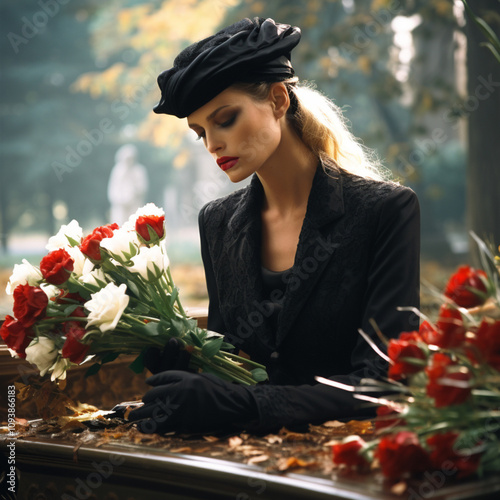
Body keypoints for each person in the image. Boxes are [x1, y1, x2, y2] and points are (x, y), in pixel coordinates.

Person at [129, 17, 420, 435]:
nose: (212, 143)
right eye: (200, 133)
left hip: (355, 466)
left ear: (279, 100)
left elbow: (385, 386)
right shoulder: (217, 223)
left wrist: (243, 403)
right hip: (240, 462)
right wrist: (189, 366)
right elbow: (235, 365)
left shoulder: (385, 211)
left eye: (225, 119)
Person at [107, 144, 149, 225]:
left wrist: (133, 193)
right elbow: (113, 188)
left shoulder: (139, 171)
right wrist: (120, 200)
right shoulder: (118, 171)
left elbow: (143, 188)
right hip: (120, 207)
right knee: (120, 227)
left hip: (134, 205)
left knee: (134, 227)